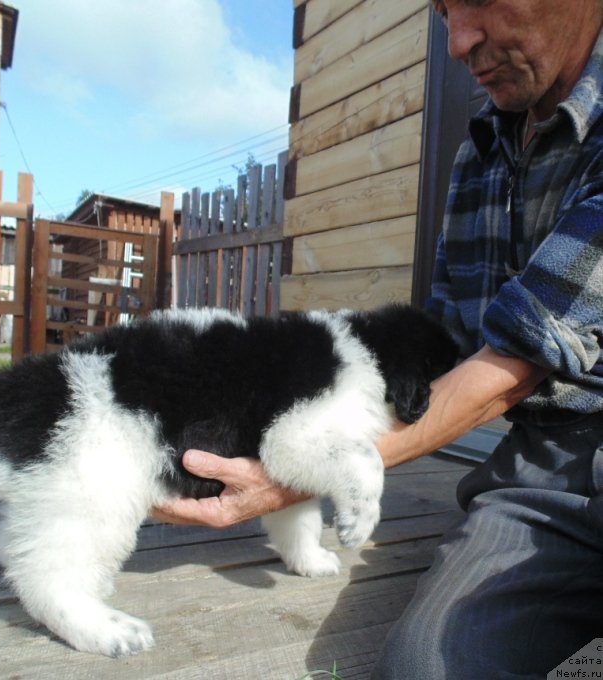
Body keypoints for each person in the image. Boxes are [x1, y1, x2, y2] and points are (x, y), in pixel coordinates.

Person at [154, 0, 603, 677]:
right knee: (430, 667)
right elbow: (443, 352)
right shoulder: (481, 150)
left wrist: (311, 468)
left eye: (477, 0)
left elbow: (513, 360)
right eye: (442, 10)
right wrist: (296, 430)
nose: (456, 42)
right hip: (543, 467)